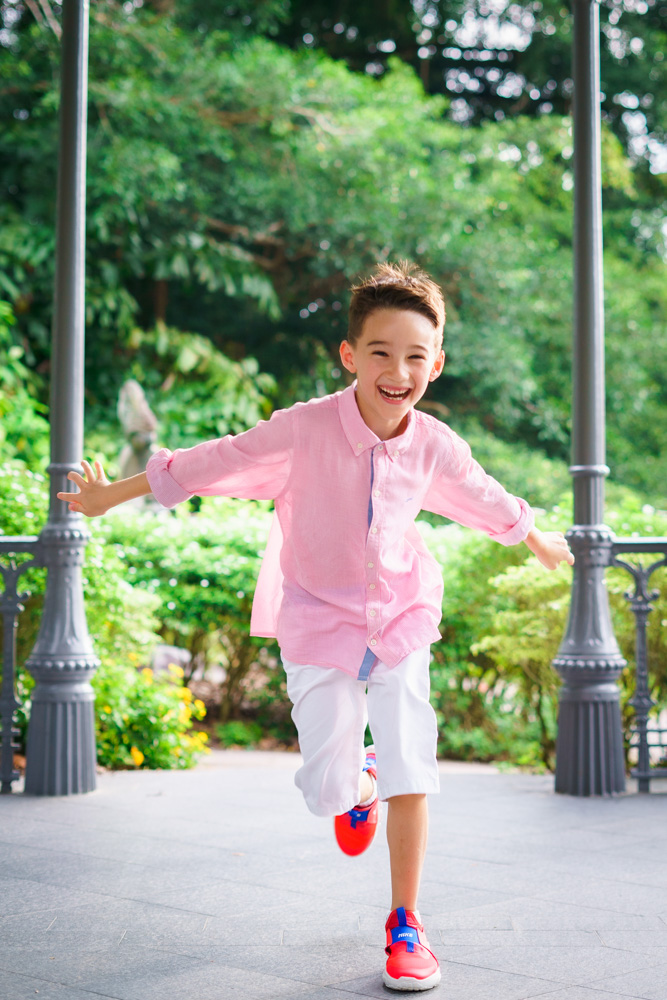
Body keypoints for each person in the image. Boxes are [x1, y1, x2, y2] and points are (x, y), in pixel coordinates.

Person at [58, 261, 573, 992]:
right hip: (317, 616)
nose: (398, 371)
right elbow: (215, 459)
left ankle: (405, 923)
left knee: (411, 762)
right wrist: (114, 494)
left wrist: (534, 537)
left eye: (416, 356)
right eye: (381, 353)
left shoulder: (433, 443)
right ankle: (357, 784)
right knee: (326, 788)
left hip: (400, 615)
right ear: (348, 355)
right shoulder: (302, 428)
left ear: (438, 363)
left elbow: (482, 495)